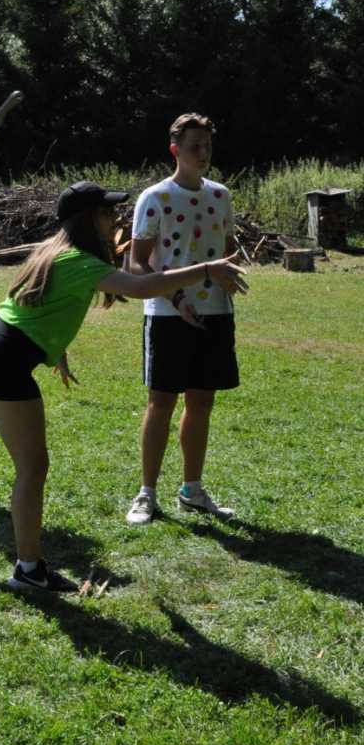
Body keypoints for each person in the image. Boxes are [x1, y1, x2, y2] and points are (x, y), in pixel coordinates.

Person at [0, 181, 247, 592]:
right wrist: (205, 269)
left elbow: (35, 301)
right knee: (32, 465)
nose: (115, 218)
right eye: (107, 212)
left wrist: (54, 349)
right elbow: (141, 286)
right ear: (88, 218)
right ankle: (29, 569)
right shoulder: (80, 261)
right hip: (4, 359)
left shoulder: (54, 250)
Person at [125, 113, 243, 526]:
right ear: (174, 149)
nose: (203, 152)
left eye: (208, 145)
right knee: (161, 402)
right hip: (166, 314)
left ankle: (192, 490)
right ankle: (147, 493)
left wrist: (231, 273)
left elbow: (227, 252)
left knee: (202, 402)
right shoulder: (154, 198)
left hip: (215, 312)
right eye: (194, 145)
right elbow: (136, 265)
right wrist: (175, 298)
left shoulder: (221, 196)